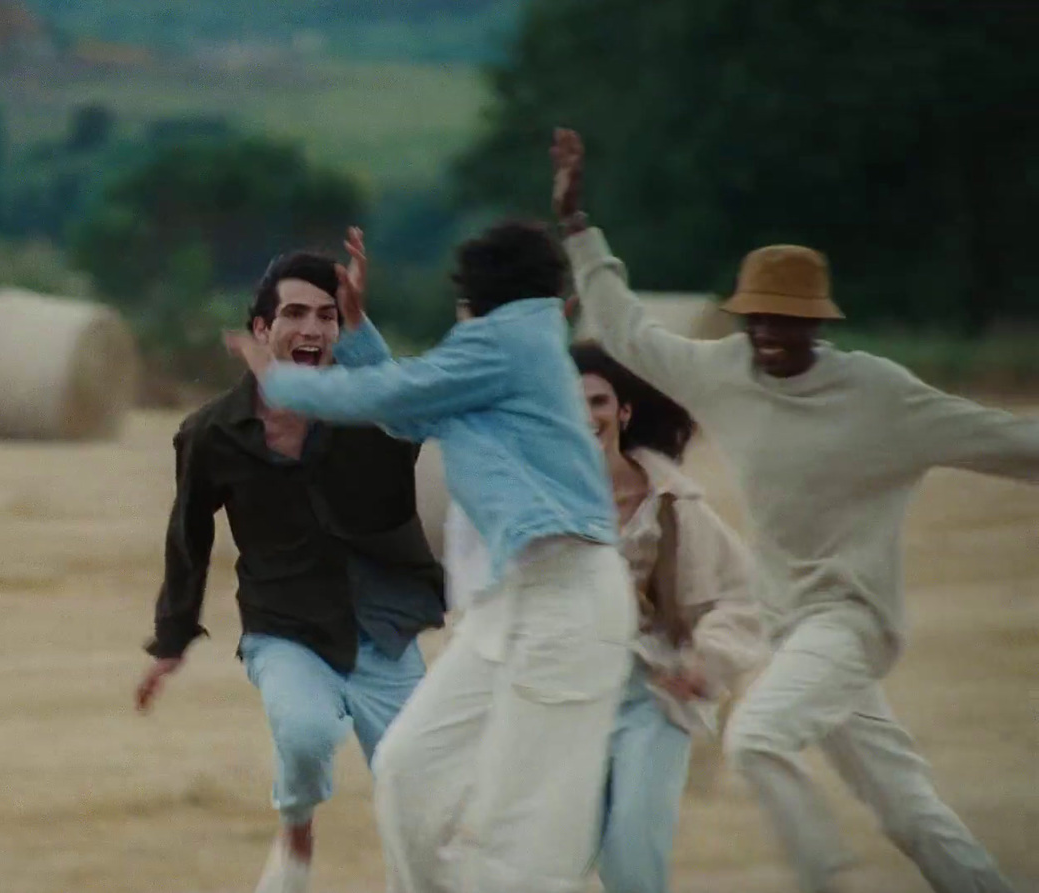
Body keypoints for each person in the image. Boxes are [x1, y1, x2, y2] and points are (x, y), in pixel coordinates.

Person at [552, 126, 1038, 893]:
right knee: (909, 810)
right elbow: (625, 332)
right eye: (760, 319)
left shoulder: (880, 396)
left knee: (757, 738)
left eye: (789, 321)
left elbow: (1010, 440)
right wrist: (580, 230)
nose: (771, 334)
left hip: (850, 621)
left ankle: (822, 877)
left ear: (820, 322)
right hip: (792, 627)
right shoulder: (725, 370)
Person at [226, 219, 635, 893]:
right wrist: (355, 336)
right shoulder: (506, 351)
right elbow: (411, 409)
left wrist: (281, 382)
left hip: (570, 601)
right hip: (511, 604)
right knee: (409, 772)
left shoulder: (511, 341)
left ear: (476, 296)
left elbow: (392, 395)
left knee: (516, 846)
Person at [136, 231, 447, 893]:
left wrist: (365, 332)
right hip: (285, 627)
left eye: (328, 315)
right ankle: (297, 822)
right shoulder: (211, 432)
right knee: (306, 733)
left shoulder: (368, 413)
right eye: (297, 314)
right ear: (262, 327)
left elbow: (412, 412)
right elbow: (188, 535)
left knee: (425, 803)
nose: (313, 328)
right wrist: (171, 638)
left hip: (382, 631)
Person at [570, 341, 766, 893]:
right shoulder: (536, 502)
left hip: (651, 698)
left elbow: (744, 594)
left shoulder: (675, 502)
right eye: (570, 402)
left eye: (599, 401)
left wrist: (709, 660)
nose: (586, 416)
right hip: (563, 698)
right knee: (552, 862)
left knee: (632, 857)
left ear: (624, 410)